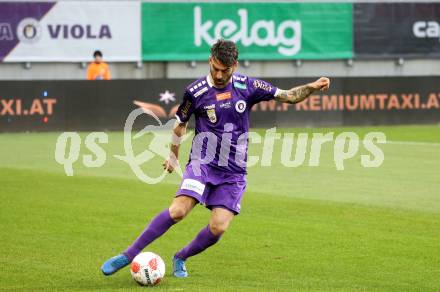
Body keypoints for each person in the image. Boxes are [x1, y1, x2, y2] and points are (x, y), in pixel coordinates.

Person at [101, 39, 330, 278]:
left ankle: (181, 256)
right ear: (210, 61)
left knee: (218, 227)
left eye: (225, 70)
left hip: (234, 171)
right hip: (203, 163)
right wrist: (173, 156)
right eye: (215, 68)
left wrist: (312, 86)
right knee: (178, 211)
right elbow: (179, 126)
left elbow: (289, 96)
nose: (219, 75)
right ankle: (128, 255)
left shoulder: (247, 86)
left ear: (235, 66)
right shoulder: (195, 91)